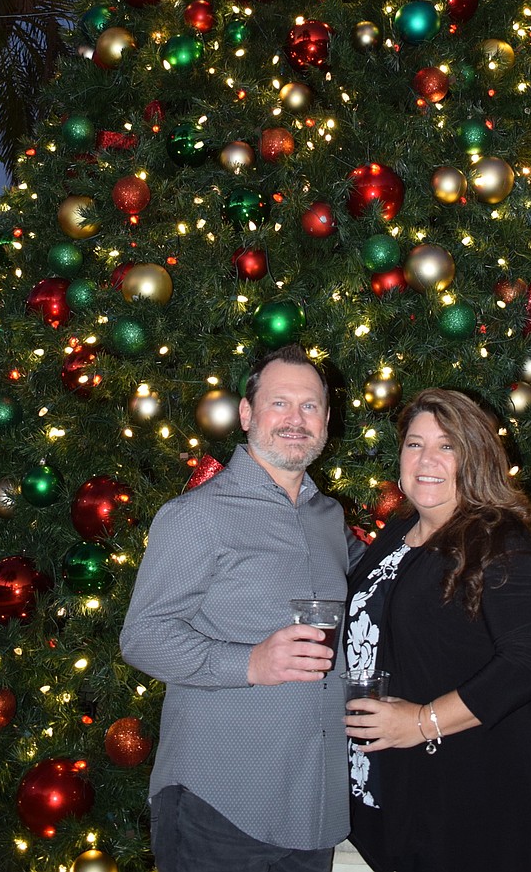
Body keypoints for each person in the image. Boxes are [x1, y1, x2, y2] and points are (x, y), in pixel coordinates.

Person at [120, 345, 362, 872]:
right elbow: (142, 636)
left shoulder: (329, 519)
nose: (296, 420)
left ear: (325, 420)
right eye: (280, 404)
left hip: (314, 806)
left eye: (311, 406)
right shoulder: (196, 516)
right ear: (248, 414)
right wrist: (249, 663)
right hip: (221, 805)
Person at [344, 388, 531, 872]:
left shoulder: (500, 540)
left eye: (447, 446)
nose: (427, 459)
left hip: (481, 794)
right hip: (404, 786)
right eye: (414, 444)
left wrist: (420, 721)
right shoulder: (398, 532)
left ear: (477, 457)